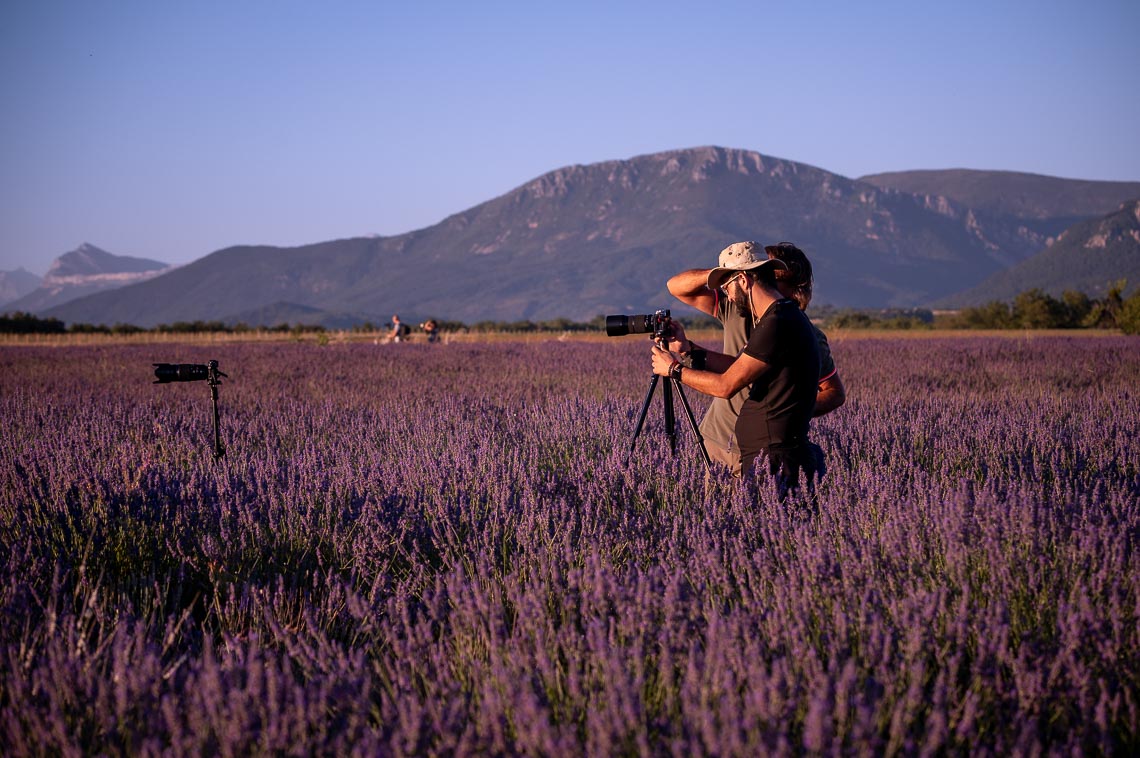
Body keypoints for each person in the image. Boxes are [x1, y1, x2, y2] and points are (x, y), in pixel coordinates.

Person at [666, 241, 845, 476]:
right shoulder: (739, 310)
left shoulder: (784, 323)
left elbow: (728, 384)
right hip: (721, 439)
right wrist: (725, 272)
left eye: (771, 276)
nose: (727, 294)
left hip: (766, 449)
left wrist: (787, 413)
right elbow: (742, 370)